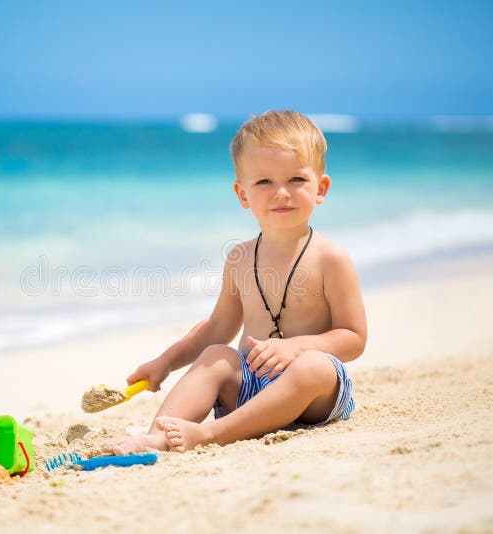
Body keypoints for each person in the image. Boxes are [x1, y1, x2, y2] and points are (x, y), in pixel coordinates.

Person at [106, 110, 367, 454]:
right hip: (250, 390)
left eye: (296, 180)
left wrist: (296, 347)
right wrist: (165, 362)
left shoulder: (330, 258)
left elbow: (354, 337)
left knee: (313, 367)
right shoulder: (240, 259)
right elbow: (217, 327)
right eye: (264, 182)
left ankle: (212, 433)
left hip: (312, 398)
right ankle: (159, 435)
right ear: (243, 195)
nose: (282, 193)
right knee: (218, 355)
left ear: (320, 188)